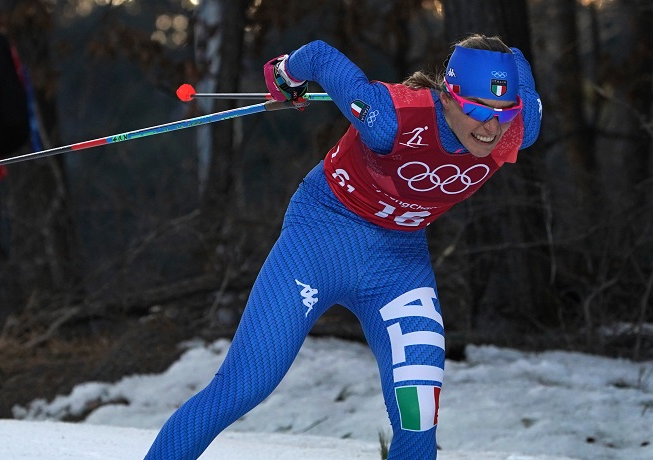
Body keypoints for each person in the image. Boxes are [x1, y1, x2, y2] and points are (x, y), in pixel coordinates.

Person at [144, 34, 541, 460]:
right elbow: (316, 54)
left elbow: (516, 62)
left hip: (397, 263)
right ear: (448, 95)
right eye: (477, 108)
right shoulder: (389, 118)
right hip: (320, 239)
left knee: (418, 413)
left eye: (504, 110)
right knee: (245, 385)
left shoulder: (517, 131)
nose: (490, 126)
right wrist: (282, 76)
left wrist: (506, 62)